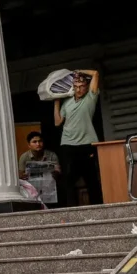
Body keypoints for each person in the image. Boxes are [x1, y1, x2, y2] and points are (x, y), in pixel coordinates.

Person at [54, 69, 103, 206]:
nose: (79, 89)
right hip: (68, 143)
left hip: (87, 143)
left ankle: (97, 207)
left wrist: (78, 71)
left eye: (81, 86)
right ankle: (71, 208)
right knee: (68, 179)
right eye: (75, 86)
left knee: (91, 178)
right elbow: (57, 122)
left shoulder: (91, 97)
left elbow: (95, 74)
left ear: (86, 87)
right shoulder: (67, 102)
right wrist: (56, 101)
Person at [18, 130, 61, 206]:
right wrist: (25, 175)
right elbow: (20, 175)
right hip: (32, 190)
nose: (38, 144)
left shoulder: (51, 155)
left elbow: (58, 171)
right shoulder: (24, 157)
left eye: (40, 141)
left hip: (49, 189)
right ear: (29, 145)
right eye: (34, 142)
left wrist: (55, 172)